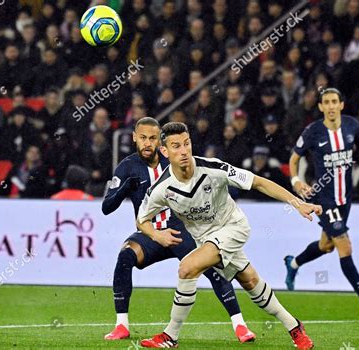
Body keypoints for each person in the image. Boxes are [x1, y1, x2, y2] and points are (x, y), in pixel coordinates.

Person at [137, 122, 321, 349]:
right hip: (206, 239)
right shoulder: (161, 188)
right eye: (175, 146)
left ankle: (170, 336)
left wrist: (297, 203)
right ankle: (294, 327)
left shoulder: (214, 168)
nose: (183, 151)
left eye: (186, 144)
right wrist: (157, 235)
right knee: (250, 280)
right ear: (164, 151)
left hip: (233, 227)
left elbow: (259, 182)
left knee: (187, 267)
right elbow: (141, 220)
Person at [102, 117, 255, 343]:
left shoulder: (173, 160)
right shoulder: (126, 167)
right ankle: (121, 325)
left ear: (160, 142)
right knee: (125, 256)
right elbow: (106, 207)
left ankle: (240, 325)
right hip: (151, 235)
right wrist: (125, 187)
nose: (147, 143)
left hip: (181, 231)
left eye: (152, 138)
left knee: (212, 266)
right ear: (134, 137)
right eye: (142, 138)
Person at [284, 88, 359, 316]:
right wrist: (296, 181)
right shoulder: (313, 131)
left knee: (326, 246)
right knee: (344, 245)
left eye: (334, 102)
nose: (330, 106)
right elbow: (294, 158)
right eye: (326, 102)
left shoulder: (352, 126)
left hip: (345, 199)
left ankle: (293, 264)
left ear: (341, 105)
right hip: (324, 199)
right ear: (320, 107)